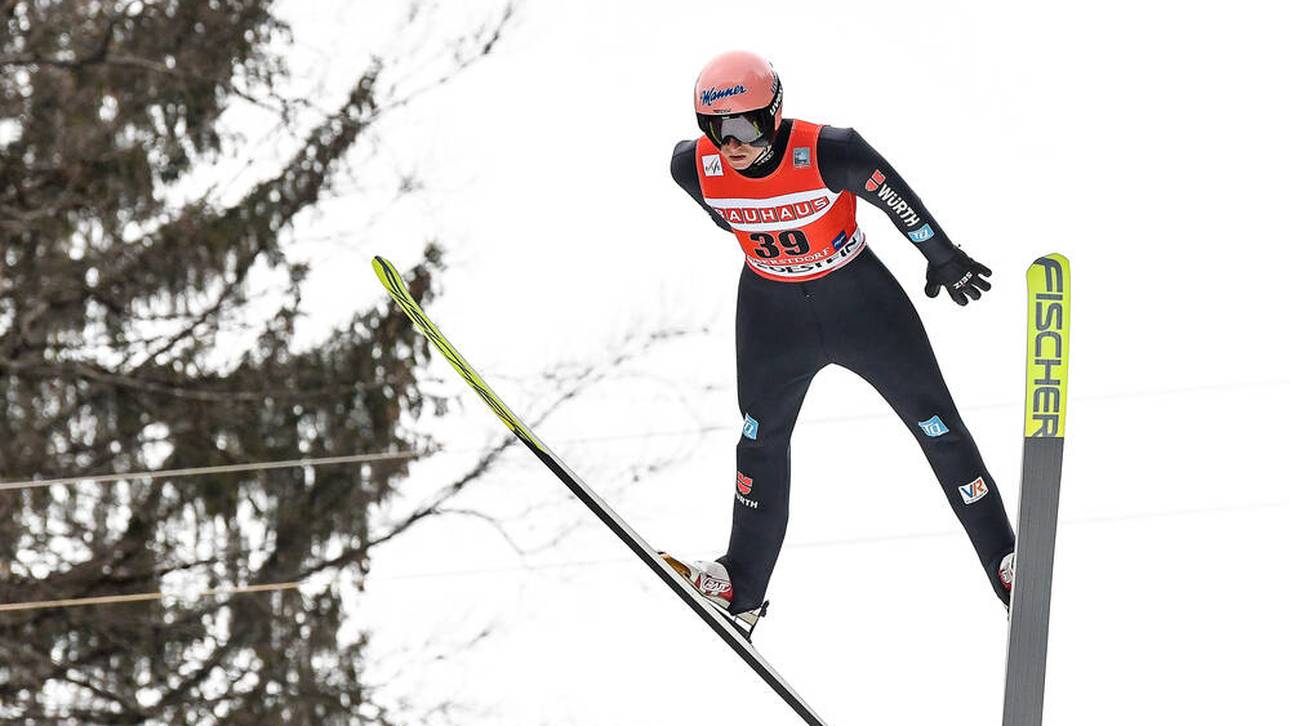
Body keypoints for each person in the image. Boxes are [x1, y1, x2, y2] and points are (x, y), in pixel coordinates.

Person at [661, 50, 1016, 632]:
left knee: (936, 423)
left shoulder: (832, 150)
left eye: (746, 124)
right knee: (758, 441)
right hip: (772, 314)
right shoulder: (690, 167)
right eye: (715, 129)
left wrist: (943, 258)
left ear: (774, 114)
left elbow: (897, 201)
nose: (731, 142)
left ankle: (1005, 563)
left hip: (859, 302)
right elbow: (731, 214)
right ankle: (740, 586)